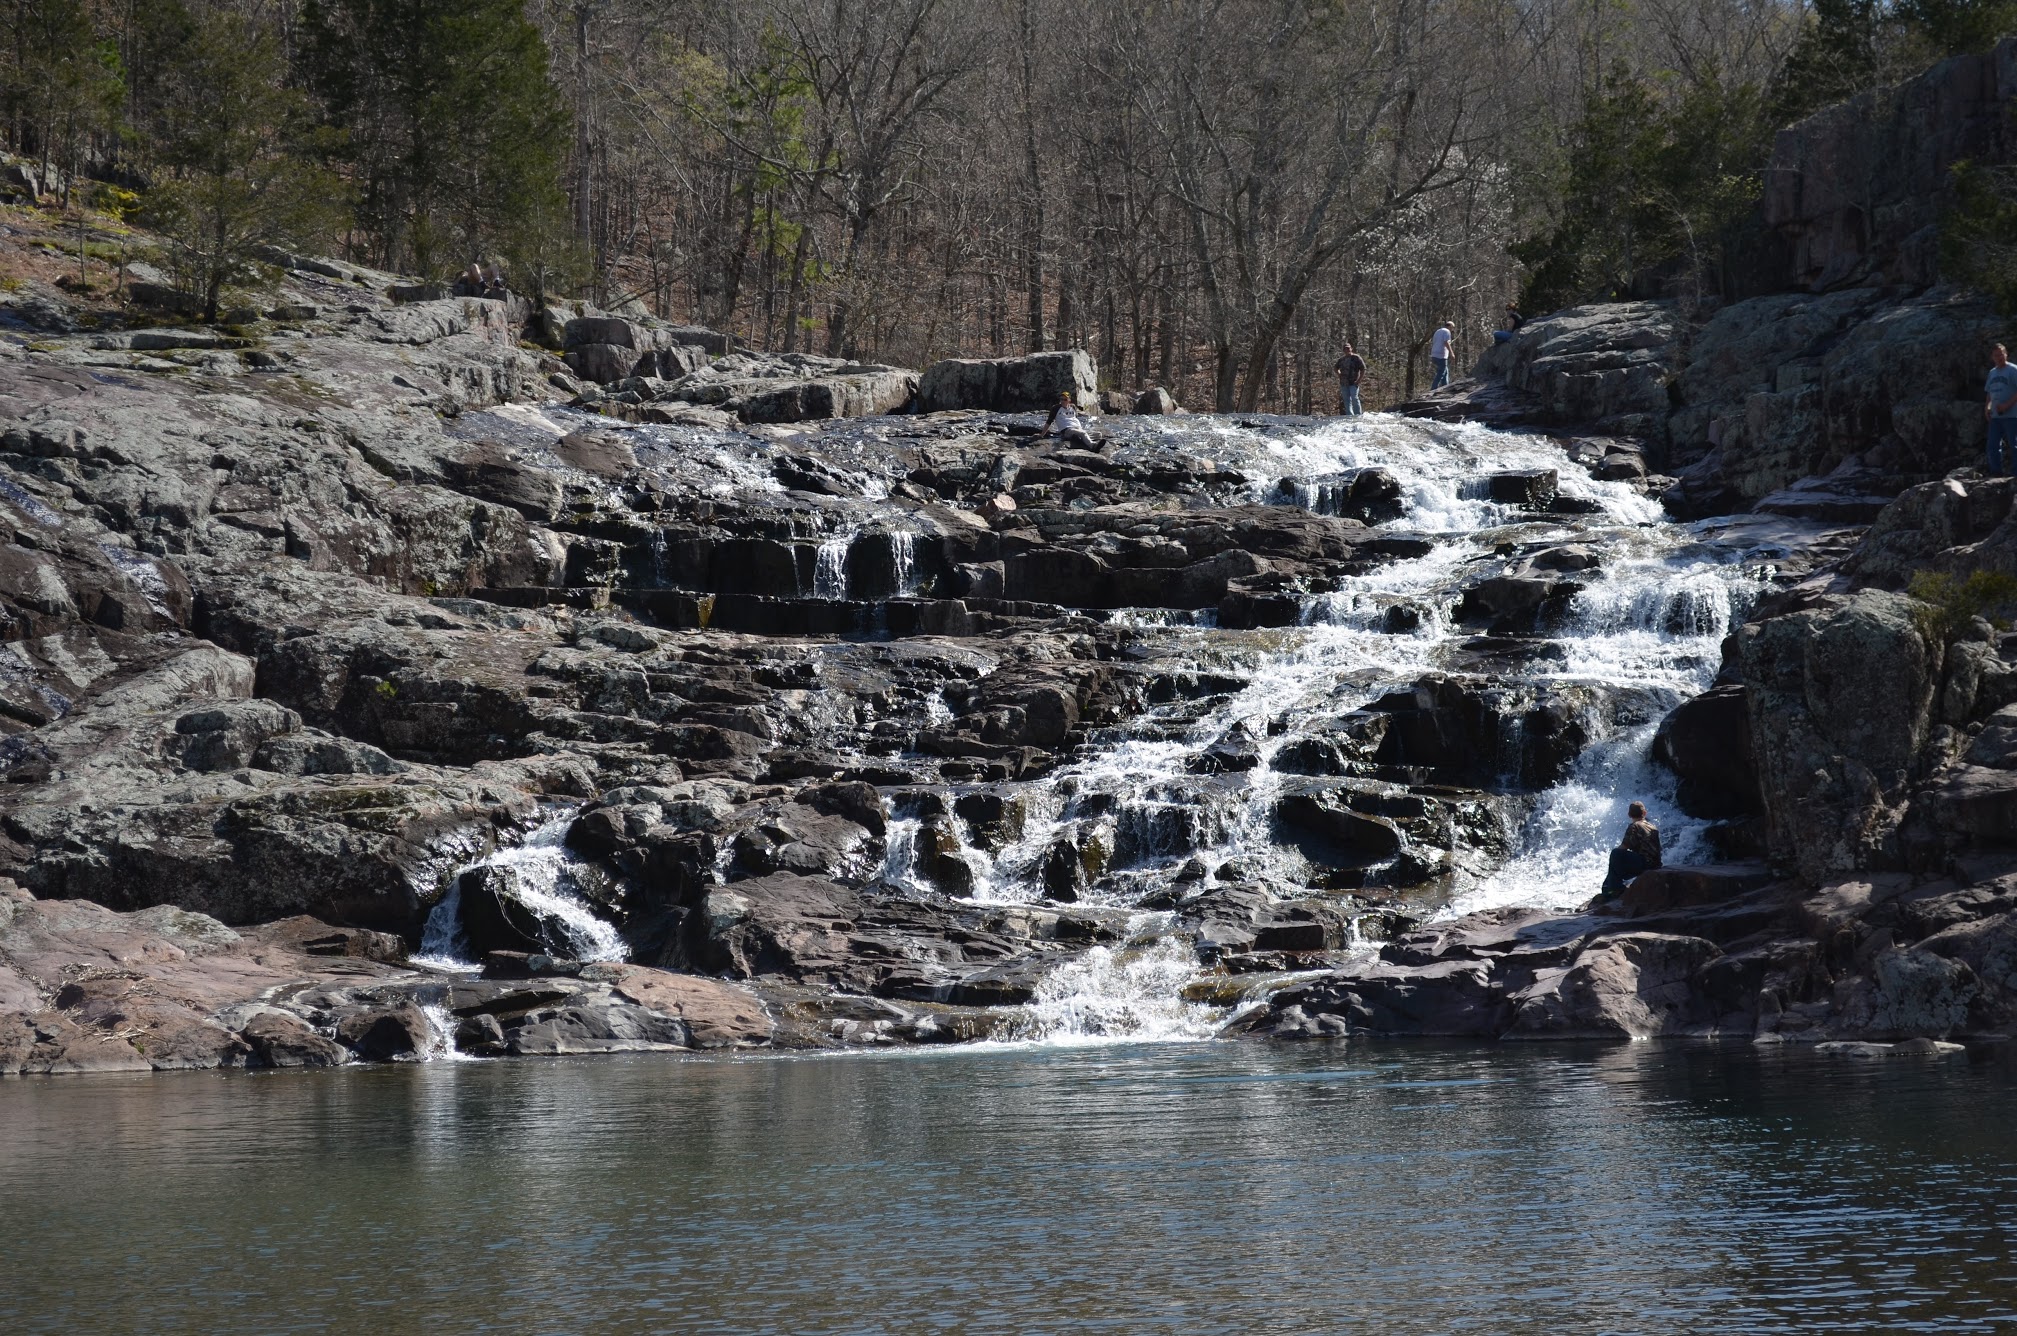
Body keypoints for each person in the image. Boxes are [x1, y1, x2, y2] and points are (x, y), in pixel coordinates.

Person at [1600, 801, 1662, 899]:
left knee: (1615, 854)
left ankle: (1613, 889)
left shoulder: (1635, 826)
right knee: (1617, 861)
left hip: (1645, 864)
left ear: (1629, 815)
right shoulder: (1653, 827)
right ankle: (1611, 887)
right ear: (1644, 813)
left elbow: (1624, 847)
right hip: (1656, 864)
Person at [1987, 343, 2017, 476]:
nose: (1999, 357)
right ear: (1992, 357)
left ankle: (2015, 475)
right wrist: (1987, 407)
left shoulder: (2013, 370)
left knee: (2014, 445)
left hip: (2012, 415)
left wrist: (2007, 405)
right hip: (1996, 417)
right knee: (1992, 446)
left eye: (2001, 354)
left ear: (2006, 354)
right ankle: (1996, 474)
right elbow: (1989, 393)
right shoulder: (1992, 373)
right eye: (1996, 355)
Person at [1333, 343, 1368, 416]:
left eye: (1348, 348)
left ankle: (1358, 415)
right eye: (1345, 349)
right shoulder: (1341, 359)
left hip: (1354, 382)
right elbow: (1336, 368)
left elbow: (1363, 369)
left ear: (1351, 349)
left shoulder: (1356, 358)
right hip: (1344, 383)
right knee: (1346, 400)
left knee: (1354, 398)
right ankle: (1350, 416)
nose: (1347, 350)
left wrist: (1359, 380)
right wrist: (1339, 374)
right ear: (1343, 350)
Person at [1429, 321, 1453, 390]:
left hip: (1434, 354)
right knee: (1441, 373)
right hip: (1441, 355)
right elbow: (1446, 342)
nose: (1452, 330)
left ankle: (1445, 387)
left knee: (1445, 371)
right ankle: (1433, 388)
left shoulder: (1438, 331)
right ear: (1450, 326)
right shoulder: (1447, 332)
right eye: (1452, 328)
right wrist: (1451, 353)